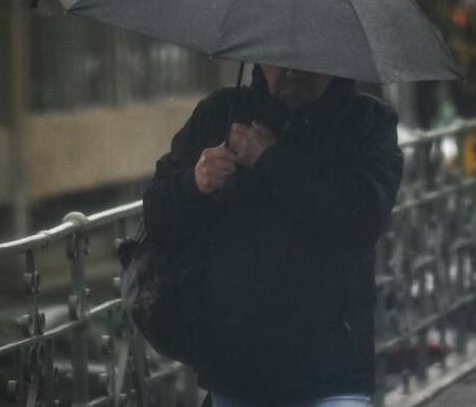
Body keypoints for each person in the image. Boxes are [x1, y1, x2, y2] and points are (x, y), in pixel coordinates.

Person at [142, 64, 404, 407]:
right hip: (237, 366)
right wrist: (194, 183)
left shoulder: (367, 122)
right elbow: (156, 214)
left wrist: (270, 159)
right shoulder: (221, 114)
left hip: (332, 367)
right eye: (281, 59)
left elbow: (365, 216)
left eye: (310, 58)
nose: (295, 70)